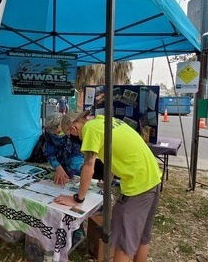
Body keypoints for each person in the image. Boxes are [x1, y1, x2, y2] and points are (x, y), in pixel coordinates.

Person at [55, 110, 161, 262]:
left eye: (72, 135)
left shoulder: (89, 129)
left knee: (123, 243)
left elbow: (89, 165)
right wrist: (107, 181)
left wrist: (78, 199)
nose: (75, 138)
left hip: (138, 186)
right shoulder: (104, 121)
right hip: (152, 179)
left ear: (73, 129)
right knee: (142, 237)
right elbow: (112, 154)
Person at [41, 114, 83, 185]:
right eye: (54, 134)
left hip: (75, 171)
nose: (56, 136)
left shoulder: (73, 134)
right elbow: (49, 152)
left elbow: (78, 158)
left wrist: (68, 174)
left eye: (59, 132)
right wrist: (58, 167)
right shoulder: (49, 134)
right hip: (60, 169)